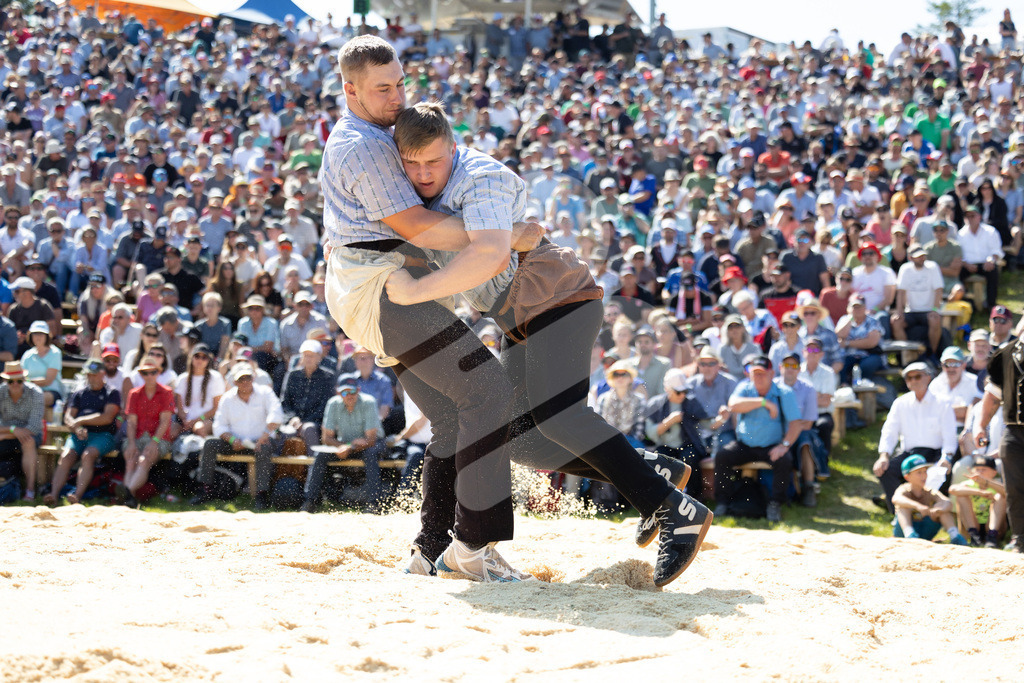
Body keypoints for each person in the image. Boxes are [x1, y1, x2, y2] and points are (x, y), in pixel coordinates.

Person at [385, 102, 711, 586]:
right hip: (525, 317)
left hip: (560, 300)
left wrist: (420, 289)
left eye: (433, 161)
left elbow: (492, 254)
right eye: (411, 164)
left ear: (452, 149)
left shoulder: (480, 178)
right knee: (519, 438)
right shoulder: (420, 197)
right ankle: (649, 471)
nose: (422, 172)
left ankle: (672, 508)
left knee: (562, 416)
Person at [715, 355, 804, 523]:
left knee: (784, 460)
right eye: (755, 373)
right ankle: (722, 502)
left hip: (771, 446)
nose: (758, 377)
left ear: (771, 373)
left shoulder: (784, 392)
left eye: (762, 373)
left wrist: (784, 445)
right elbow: (733, 404)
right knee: (723, 456)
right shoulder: (744, 387)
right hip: (745, 444)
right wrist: (764, 403)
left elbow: (796, 423)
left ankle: (775, 504)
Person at [191, 363, 284, 511]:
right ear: (235, 382)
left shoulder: (265, 392)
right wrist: (232, 439)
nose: (245, 381)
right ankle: (204, 489)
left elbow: (277, 414)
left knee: (265, 448)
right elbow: (219, 426)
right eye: (241, 379)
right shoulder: (227, 398)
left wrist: (264, 436)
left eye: (248, 377)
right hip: (234, 442)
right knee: (209, 444)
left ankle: (261, 494)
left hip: (260, 440)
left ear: (253, 378)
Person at [873, 362, 958, 513]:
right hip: (910, 455)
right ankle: (900, 514)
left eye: (917, 376)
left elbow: (949, 435)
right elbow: (889, 431)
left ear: (928, 377)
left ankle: (928, 515)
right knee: (885, 470)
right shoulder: (900, 403)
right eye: (909, 378)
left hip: (935, 454)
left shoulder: (942, 402)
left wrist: (946, 457)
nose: (913, 381)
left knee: (937, 474)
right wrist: (884, 456)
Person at [302, 375, 388, 513]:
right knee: (320, 455)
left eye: (352, 391)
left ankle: (374, 503)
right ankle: (310, 501)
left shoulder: (368, 402)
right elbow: (326, 438)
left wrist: (349, 446)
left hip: (371, 445)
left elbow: (371, 440)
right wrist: (345, 446)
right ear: (338, 392)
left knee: (371, 454)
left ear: (358, 390)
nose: (349, 395)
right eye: (344, 392)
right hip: (345, 445)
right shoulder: (333, 403)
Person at [971, 328, 1024, 553]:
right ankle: (1020, 539)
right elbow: (993, 394)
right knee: (1014, 488)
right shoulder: (1005, 354)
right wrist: (980, 425)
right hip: (1013, 431)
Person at [44, 358, 120, 505]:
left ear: (103, 374)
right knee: (67, 456)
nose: (91, 378)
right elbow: (68, 417)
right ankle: (53, 494)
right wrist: (76, 427)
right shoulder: (79, 393)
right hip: (79, 434)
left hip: (103, 435)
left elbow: (107, 417)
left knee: (88, 455)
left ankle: (76, 496)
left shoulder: (112, 393)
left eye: (94, 374)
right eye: (88, 375)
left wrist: (81, 421)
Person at [121, 356, 175, 507]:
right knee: (131, 460)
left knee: (144, 461)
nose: (149, 376)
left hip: (159, 438)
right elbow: (131, 422)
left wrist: (154, 442)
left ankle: (127, 493)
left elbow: (165, 421)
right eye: (145, 373)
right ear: (141, 374)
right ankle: (129, 498)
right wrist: (131, 443)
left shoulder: (166, 392)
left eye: (153, 372)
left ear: (158, 372)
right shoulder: (134, 393)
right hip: (137, 437)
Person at [891, 453, 968, 545]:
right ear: (907, 476)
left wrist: (939, 509)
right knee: (903, 507)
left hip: (925, 531)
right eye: (919, 473)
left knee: (942, 509)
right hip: (902, 533)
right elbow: (896, 498)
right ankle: (910, 534)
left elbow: (947, 503)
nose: (924, 475)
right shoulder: (904, 489)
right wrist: (918, 506)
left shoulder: (929, 491)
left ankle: (955, 536)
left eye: (925, 471)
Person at [280, 339, 335, 453]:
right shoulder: (292, 375)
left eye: (312, 355)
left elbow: (325, 405)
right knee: (286, 432)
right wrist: (293, 418)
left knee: (309, 429)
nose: (308, 358)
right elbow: (285, 402)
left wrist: (306, 422)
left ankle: (313, 468)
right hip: (293, 421)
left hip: (316, 422)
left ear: (319, 357)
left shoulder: (327, 377)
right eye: (305, 355)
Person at [891, 246, 945, 359]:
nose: (922, 259)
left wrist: (935, 309)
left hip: (929, 310)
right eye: (918, 257)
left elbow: (939, 290)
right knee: (896, 322)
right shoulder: (905, 269)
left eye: (923, 256)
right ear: (910, 258)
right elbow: (900, 292)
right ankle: (906, 355)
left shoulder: (933, 267)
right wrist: (899, 312)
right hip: (910, 311)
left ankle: (932, 354)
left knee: (935, 320)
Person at [0, 362, 44, 501]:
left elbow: (34, 428)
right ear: (5, 381)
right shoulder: (0, 392)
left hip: (29, 435)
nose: (15, 384)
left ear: (24, 380)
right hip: (7, 434)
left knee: (28, 441)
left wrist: (5, 433)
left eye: (19, 380)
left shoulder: (36, 393)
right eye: (11, 381)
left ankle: (30, 490)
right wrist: (13, 430)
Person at [949, 454, 1006, 548]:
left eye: (983, 469)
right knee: (961, 496)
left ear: (994, 472)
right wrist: (980, 492)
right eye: (977, 469)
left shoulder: (997, 486)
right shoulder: (967, 484)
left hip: (992, 527)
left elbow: (1007, 493)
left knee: (1000, 496)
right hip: (972, 525)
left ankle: (992, 535)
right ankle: (974, 536)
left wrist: (986, 483)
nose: (979, 473)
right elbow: (952, 489)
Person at [174, 345, 225, 439]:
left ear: (208, 360)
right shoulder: (182, 378)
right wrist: (185, 421)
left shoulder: (215, 377)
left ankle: (204, 452)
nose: (200, 360)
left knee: (199, 429)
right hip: (184, 420)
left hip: (206, 419)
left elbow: (216, 408)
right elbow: (179, 407)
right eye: (197, 356)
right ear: (191, 357)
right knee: (172, 432)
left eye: (204, 357)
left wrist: (194, 421)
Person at [20, 320, 63, 407]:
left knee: (36, 398)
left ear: (47, 336)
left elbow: (48, 380)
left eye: (41, 334)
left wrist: (28, 382)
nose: (38, 337)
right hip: (29, 392)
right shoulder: (27, 354)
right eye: (35, 333)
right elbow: (21, 376)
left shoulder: (55, 353)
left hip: (51, 392)